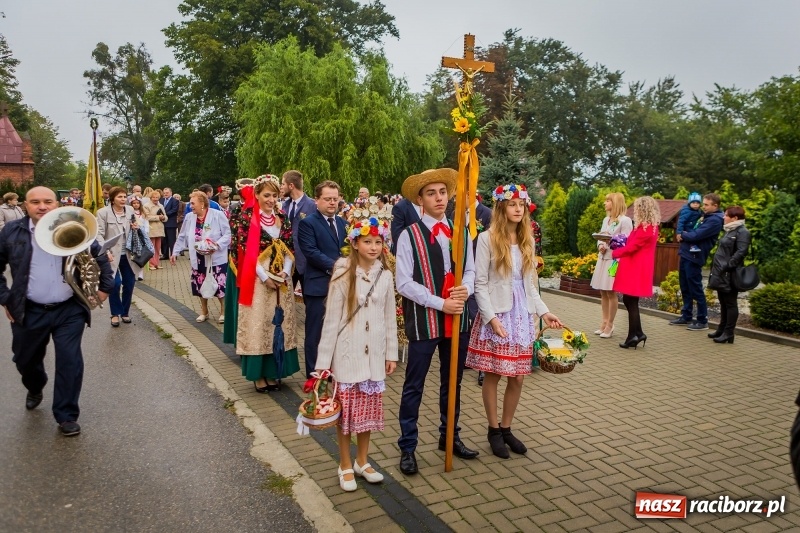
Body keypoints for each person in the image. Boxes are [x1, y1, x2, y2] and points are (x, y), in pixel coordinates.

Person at [0, 187, 114, 436]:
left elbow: (100, 255)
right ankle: (35, 385)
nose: (42, 206)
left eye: (47, 201)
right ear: (25, 205)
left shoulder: (76, 226)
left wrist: (106, 288)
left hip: (69, 309)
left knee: (70, 361)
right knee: (24, 360)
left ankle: (66, 415)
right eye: (35, 202)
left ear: (57, 204)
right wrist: (6, 299)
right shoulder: (12, 231)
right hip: (29, 310)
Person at [467, 184, 563, 458]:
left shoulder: (527, 240)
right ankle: (493, 429)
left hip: (522, 315)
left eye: (522, 204)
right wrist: (490, 318)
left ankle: (507, 429)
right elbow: (480, 283)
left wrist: (544, 312)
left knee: (518, 377)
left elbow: (530, 285)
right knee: (495, 373)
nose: (518, 209)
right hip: (497, 313)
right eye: (512, 204)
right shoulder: (487, 239)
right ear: (501, 207)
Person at [395, 168, 479, 476]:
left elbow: (470, 270)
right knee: (414, 385)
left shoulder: (460, 232)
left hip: (457, 319)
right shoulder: (409, 235)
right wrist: (440, 302)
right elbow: (403, 282)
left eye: (442, 192)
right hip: (425, 320)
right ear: (420, 200)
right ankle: (407, 447)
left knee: (453, 383)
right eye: (431, 193)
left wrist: (465, 288)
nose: (439, 198)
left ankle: (449, 437)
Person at [315, 216, 397, 491]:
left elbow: (389, 317)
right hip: (347, 357)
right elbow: (330, 322)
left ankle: (363, 460)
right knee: (346, 416)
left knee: (367, 415)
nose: (373, 247)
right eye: (367, 242)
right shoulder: (342, 274)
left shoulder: (385, 276)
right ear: (355, 243)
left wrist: (391, 354)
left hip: (374, 355)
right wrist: (322, 364)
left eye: (378, 242)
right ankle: (345, 463)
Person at [230, 175, 300, 391]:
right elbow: (244, 252)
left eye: (274, 195)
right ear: (257, 195)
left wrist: (286, 273)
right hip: (258, 280)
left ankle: (274, 371)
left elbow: (289, 247)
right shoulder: (246, 218)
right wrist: (265, 277)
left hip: (281, 279)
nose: (271, 199)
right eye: (266, 195)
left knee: (279, 322)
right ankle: (258, 375)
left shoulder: (282, 217)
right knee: (259, 324)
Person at [297, 180, 347, 378]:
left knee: (339, 330)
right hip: (318, 286)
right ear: (316, 200)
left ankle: (335, 370)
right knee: (316, 332)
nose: (332, 203)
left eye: (335, 199)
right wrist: (339, 267)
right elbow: (311, 252)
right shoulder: (307, 223)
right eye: (327, 199)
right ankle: (313, 375)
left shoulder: (344, 223)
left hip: (343, 285)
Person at [171, 191, 230, 323]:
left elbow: (227, 234)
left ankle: (223, 312)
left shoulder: (218, 215)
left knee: (220, 285)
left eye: (193, 203)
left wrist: (216, 245)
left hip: (216, 257)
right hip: (198, 257)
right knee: (200, 283)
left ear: (202, 203)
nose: (190, 206)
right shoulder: (189, 217)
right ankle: (204, 311)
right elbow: (182, 236)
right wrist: (175, 252)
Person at [612, 196, 660, 350]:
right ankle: (637, 333)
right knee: (630, 300)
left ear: (643, 210)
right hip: (636, 266)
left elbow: (633, 247)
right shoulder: (646, 227)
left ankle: (635, 334)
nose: (635, 211)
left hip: (636, 267)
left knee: (630, 301)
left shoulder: (645, 229)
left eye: (638, 207)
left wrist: (615, 252)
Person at [670, 193, 724, 331]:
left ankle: (702, 319)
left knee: (695, 287)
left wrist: (683, 234)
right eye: (703, 204)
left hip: (695, 256)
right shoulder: (705, 216)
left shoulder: (715, 220)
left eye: (706, 204)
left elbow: (696, 235)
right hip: (686, 253)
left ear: (715, 206)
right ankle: (686, 315)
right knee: (685, 286)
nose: (703, 207)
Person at [590, 192, 633, 338]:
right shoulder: (606, 219)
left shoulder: (625, 220)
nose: (605, 203)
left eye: (608, 200)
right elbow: (601, 235)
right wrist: (600, 244)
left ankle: (610, 324)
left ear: (615, 203)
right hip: (603, 258)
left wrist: (611, 243)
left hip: (614, 260)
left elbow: (626, 241)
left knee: (611, 291)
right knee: (603, 291)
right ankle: (603, 322)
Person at [707, 206, 751, 344]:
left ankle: (729, 333)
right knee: (723, 301)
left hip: (730, 274)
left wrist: (728, 266)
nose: (723, 217)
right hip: (721, 273)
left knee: (730, 303)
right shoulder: (729, 230)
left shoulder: (742, 232)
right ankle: (721, 329)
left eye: (726, 215)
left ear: (735, 218)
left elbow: (741, 251)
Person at [96, 186, 137, 327]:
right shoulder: (103, 213)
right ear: (112, 199)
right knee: (115, 283)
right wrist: (105, 251)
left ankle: (125, 312)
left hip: (128, 253)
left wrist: (136, 226)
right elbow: (99, 234)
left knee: (130, 283)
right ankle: (115, 314)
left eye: (125, 196)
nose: (123, 199)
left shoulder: (130, 210)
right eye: (120, 197)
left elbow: (136, 225)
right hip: (111, 255)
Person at [281, 170, 317, 293]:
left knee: (309, 299)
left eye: (283, 184)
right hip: (286, 259)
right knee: (285, 298)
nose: (281, 187)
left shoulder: (312, 206)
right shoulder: (284, 206)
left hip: (305, 261)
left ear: (291, 186)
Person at [129, 197, 151, 282]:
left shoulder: (143, 213)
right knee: (133, 254)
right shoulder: (129, 213)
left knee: (141, 254)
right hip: (132, 236)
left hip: (141, 236)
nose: (136, 205)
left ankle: (141, 272)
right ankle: (134, 272)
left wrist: (145, 234)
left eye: (137, 203)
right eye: (134, 203)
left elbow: (146, 224)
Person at [144, 190, 167, 269]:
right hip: (151, 229)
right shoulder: (146, 206)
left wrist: (164, 218)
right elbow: (146, 217)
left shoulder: (161, 206)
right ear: (150, 198)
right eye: (154, 197)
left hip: (160, 229)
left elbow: (165, 217)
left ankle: (156, 263)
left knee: (158, 247)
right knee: (151, 247)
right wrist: (158, 217)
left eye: (157, 197)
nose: (155, 199)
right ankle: (151, 264)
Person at [160, 187, 179, 259]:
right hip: (162, 223)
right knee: (164, 240)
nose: (165, 194)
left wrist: (164, 215)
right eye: (164, 193)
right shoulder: (161, 200)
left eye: (167, 193)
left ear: (171, 193)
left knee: (172, 240)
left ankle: (174, 255)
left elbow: (174, 210)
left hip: (171, 223)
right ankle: (165, 255)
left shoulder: (175, 201)